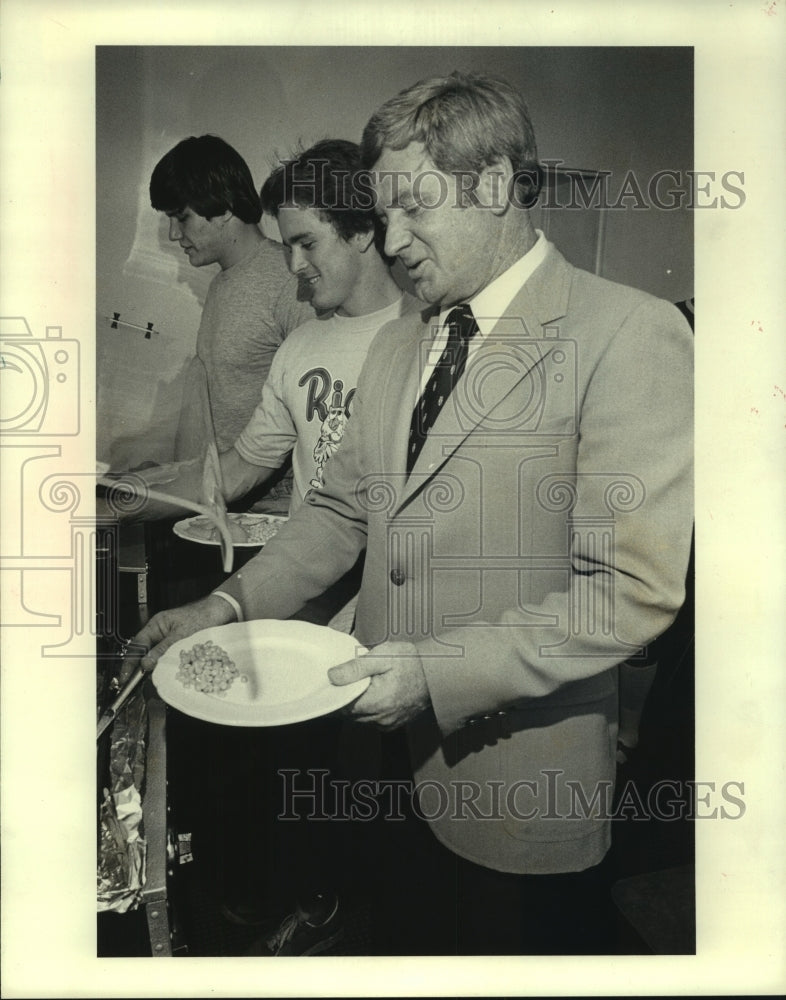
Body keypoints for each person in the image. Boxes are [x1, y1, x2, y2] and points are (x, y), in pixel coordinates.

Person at [132, 72, 694, 955]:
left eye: (409, 210)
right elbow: (339, 512)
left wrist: (430, 675)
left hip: (513, 785)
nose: (390, 241)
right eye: (381, 215)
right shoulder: (406, 337)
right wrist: (225, 606)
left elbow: (629, 593)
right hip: (382, 760)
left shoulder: (629, 333)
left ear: (497, 185)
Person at [149, 133, 312, 510]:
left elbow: (318, 418)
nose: (175, 234)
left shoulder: (289, 281)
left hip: (270, 514)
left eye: (182, 217)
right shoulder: (223, 282)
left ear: (222, 208)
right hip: (224, 502)